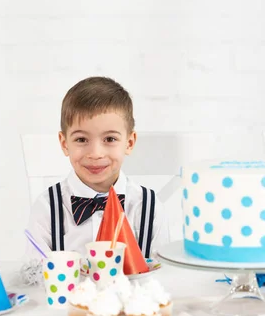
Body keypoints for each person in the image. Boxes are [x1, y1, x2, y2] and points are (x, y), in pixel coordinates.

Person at [27, 77, 169, 259]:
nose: (95, 153)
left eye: (109, 139)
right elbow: (34, 275)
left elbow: (161, 275)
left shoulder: (149, 207)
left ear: (129, 143)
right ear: (64, 144)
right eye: (81, 140)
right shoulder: (47, 208)